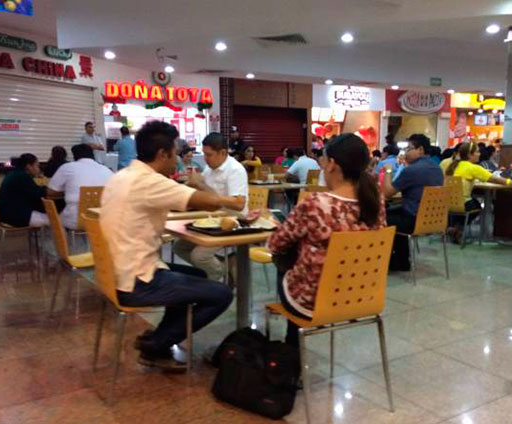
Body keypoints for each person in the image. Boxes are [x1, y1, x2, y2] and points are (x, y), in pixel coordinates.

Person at [100, 121, 242, 369]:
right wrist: (234, 201)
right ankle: (156, 344)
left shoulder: (122, 177)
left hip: (116, 272)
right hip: (137, 280)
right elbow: (202, 202)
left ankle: (160, 339)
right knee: (222, 294)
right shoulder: (150, 182)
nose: (177, 159)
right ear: (162, 154)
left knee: (196, 274)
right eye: (174, 153)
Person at [268, 134, 386, 346]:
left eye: (323, 160)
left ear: (332, 164)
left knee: (283, 256)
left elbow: (275, 244)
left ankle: (291, 351)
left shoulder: (316, 203)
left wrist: (280, 227)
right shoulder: (377, 200)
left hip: (313, 302)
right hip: (361, 297)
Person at [173, 133, 248, 281]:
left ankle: (217, 274)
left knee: (199, 256)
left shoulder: (235, 170)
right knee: (179, 248)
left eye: (209, 155)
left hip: (233, 221)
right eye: (204, 154)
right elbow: (207, 195)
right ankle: (224, 266)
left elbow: (239, 204)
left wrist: (202, 187)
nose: (206, 159)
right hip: (213, 218)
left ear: (223, 153)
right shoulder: (209, 169)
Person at [445, 142, 512, 243]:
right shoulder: (473, 168)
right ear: (470, 155)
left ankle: (455, 227)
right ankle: (460, 229)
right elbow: (496, 179)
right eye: (477, 152)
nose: (479, 154)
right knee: (476, 205)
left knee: (470, 203)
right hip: (464, 204)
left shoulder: (453, 166)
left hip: (448, 204)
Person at [381, 134, 444, 271]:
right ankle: (401, 260)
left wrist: (388, 170)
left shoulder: (412, 170)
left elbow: (386, 193)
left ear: (420, 150)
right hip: (432, 220)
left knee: (380, 217)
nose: (406, 152)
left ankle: (391, 260)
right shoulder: (437, 169)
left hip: (413, 219)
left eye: (409, 148)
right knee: (391, 213)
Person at [47, 144, 113, 230]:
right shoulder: (107, 170)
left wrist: (68, 191)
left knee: (59, 217)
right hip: (103, 218)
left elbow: (50, 192)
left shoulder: (68, 167)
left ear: (74, 156)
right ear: (92, 155)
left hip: (76, 220)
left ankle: (65, 242)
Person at [0, 153, 48, 227]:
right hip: (15, 216)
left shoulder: (13, 173)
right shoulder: (23, 177)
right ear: (29, 166)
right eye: (37, 166)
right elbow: (38, 194)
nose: (39, 169)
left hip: (5, 214)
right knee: (55, 219)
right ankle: (61, 238)